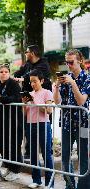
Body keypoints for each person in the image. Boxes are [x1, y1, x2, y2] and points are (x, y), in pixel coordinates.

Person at [53, 49, 90, 189]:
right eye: (66, 62)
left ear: (79, 61)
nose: (68, 65)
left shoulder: (87, 78)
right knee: (65, 158)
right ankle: (70, 185)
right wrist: (57, 86)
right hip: (67, 123)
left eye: (71, 62)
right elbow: (57, 101)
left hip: (83, 123)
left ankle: (84, 186)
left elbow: (81, 101)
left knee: (83, 159)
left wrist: (73, 83)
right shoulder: (66, 77)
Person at [22, 69, 54, 189]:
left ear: (41, 80)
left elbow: (49, 110)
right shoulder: (30, 94)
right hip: (30, 124)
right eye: (31, 82)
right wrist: (25, 103)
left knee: (46, 153)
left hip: (43, 124)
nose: (32, 84)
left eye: (35, 81)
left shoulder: (47, 92)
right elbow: (25, 113)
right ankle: (36, 180)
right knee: (34, 153)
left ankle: (49, 183)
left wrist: (34, 101)